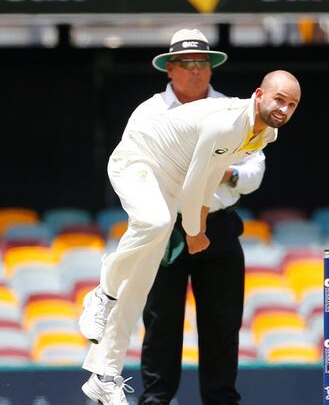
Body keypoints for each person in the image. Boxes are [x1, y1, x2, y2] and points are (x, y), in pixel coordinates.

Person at [78, 69, 302, 404]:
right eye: (279, 100)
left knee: (147, 288)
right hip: (142, 166)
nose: (283, 109)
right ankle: (104, 293)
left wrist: (196, 224)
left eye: (291, 104)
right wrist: (194, 231)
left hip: (193, 203)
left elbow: (211, 176)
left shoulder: (265, 133)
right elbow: (196, 182)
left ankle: (104, 375)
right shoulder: (224, 122)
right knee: (154, 231)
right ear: (259, 94)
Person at [129, 29, 265, 405]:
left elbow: (254, 172)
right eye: (186, 64)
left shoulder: (234, 109)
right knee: (160, 325)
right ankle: (155, 401)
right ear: (169, 69)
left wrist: (222, 170)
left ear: (211, 68)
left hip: (218, 226)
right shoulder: (150, 112)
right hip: (166, 229)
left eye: (202, 63)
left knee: (222, 326)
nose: (195, 71)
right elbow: (133, 166)